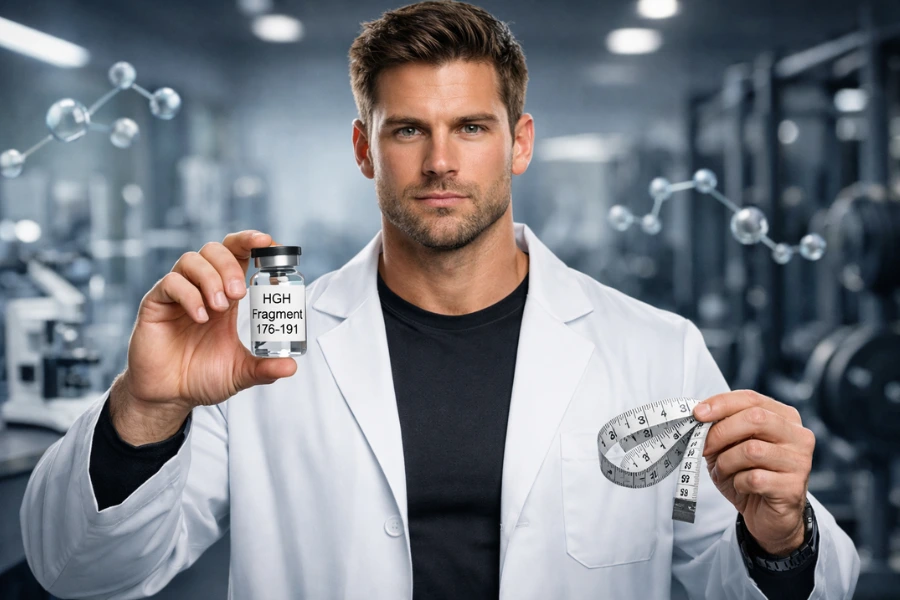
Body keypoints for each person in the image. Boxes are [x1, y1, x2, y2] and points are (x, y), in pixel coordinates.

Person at [21, 2, 859, 599]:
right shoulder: (256, 356)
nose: (441, 163)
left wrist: (781, 538)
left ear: (519, 143)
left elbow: (745, 580)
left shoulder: (654, 351)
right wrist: (146, 408)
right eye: (408, 129)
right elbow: (84, 572)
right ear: (365, 150)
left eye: (471, 127)